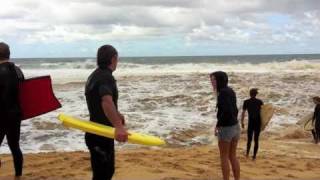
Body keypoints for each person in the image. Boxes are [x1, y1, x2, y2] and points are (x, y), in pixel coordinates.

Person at [85, 45, 129, 180]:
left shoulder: (94, 75)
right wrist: (119, 127)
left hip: (95, 131)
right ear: (113, 58)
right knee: (104, 174)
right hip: (101, 134)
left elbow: (100, 102)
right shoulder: (105, 77)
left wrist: (117, 114)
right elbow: (106, 101)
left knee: (101, 173)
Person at [0, 42, 25, 178]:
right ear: (9, 54)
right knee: (15, 147)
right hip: (15, 114)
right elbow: (24, 91)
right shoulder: (17, 70)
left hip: (1, 115)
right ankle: (18, 175)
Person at [210, 71, 240, 180]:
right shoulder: (230, 90)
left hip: (226, 128)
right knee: (232, 156)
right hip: (235, 127)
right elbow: (235, 109)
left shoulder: (222, 93)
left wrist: (218, 125)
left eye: (213, 80)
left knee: (224, 157)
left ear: (219, 80)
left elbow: (226, 111)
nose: (211, 82)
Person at [240, 88, 263, 160]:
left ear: (250, 94)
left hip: (251, 122)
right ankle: (254, 156)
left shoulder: (246, 102)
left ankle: (247, 154)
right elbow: (263, 113)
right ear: (256, 94)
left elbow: (243, 113)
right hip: (258, 122)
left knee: (249, 139)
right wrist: (264, 124)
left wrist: (242, 122)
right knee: (256, 139)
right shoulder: (260, 102)